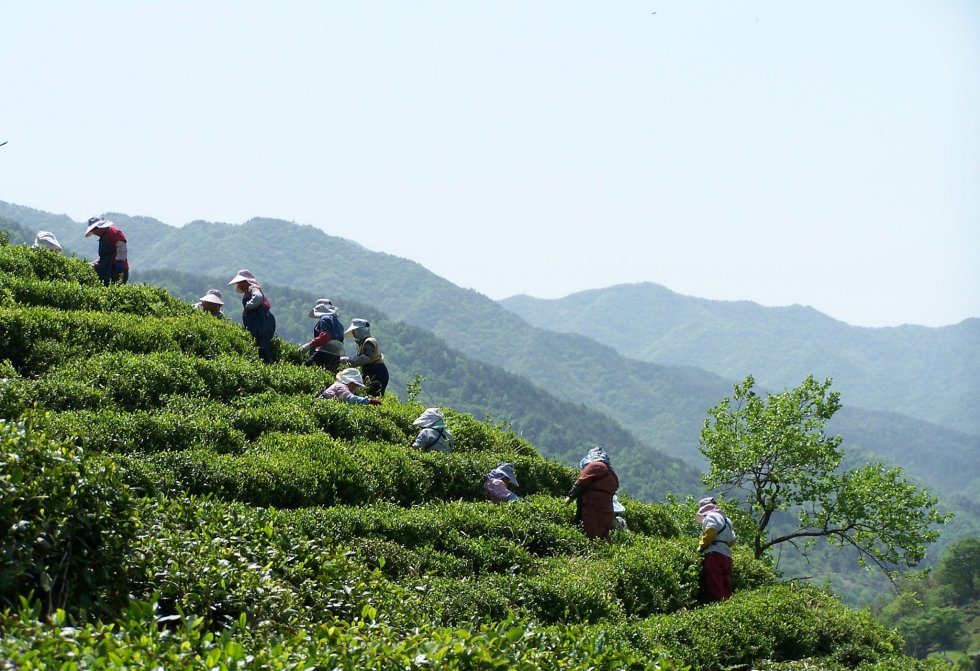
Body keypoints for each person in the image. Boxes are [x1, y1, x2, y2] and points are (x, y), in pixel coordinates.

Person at [563, 446, 619, 542]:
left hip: (592, 508)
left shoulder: (596, 466)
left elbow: (581, 483)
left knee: (587, 536)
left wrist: (569, 499)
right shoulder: (613, 475)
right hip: (606, 512)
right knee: (601, 537)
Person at [227, 268, 277, 363]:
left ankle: (268, 365)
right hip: (257, 322)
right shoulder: (247, 292)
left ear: (245, 282)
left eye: (240, 282)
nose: (238, 285)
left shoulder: (252, 288)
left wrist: (248, 306)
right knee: (257, 346)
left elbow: (258, 297)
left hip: (262, 322)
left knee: (262, 347)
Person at [695, 496, 736, 602]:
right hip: (727, 557)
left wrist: (700, 547)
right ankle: (728, 607)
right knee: (726, 586)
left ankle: (719, 608)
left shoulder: (711, 516)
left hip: (715, 555)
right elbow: (732, 540)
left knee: (715, 585)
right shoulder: (727, 521)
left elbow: (711, 532)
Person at [340, 318, 388, 397]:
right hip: (372, 372)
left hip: (377, 373)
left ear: (359, 331)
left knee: (374, 396)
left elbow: (365, 359)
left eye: (354, 330)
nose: (352, 333)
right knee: (371, 395)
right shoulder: (363, 343)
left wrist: (343, 360)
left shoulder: (369, 342)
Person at [299, 298, 345, 371]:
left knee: (306, 367)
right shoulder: (338, 323)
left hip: (325, 351)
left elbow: (325, 336)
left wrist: (309, 345)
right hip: (337, 354)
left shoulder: (325, 319)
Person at [84, 217, 128, 285]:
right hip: (106, 269)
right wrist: (93, 264)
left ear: (99, 227)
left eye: (94, 230)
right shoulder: (103, 237)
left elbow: (122, 249)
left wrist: (118, 266)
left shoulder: (114, 232)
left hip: (117, 269)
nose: (94, 233)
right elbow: (105, 256)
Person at [317, 367, 382, 405]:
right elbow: (350, 398)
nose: (355, 388)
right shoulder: (342, 387)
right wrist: (369, 401)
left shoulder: (337, 385)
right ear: (350, 382)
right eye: (355, 385)